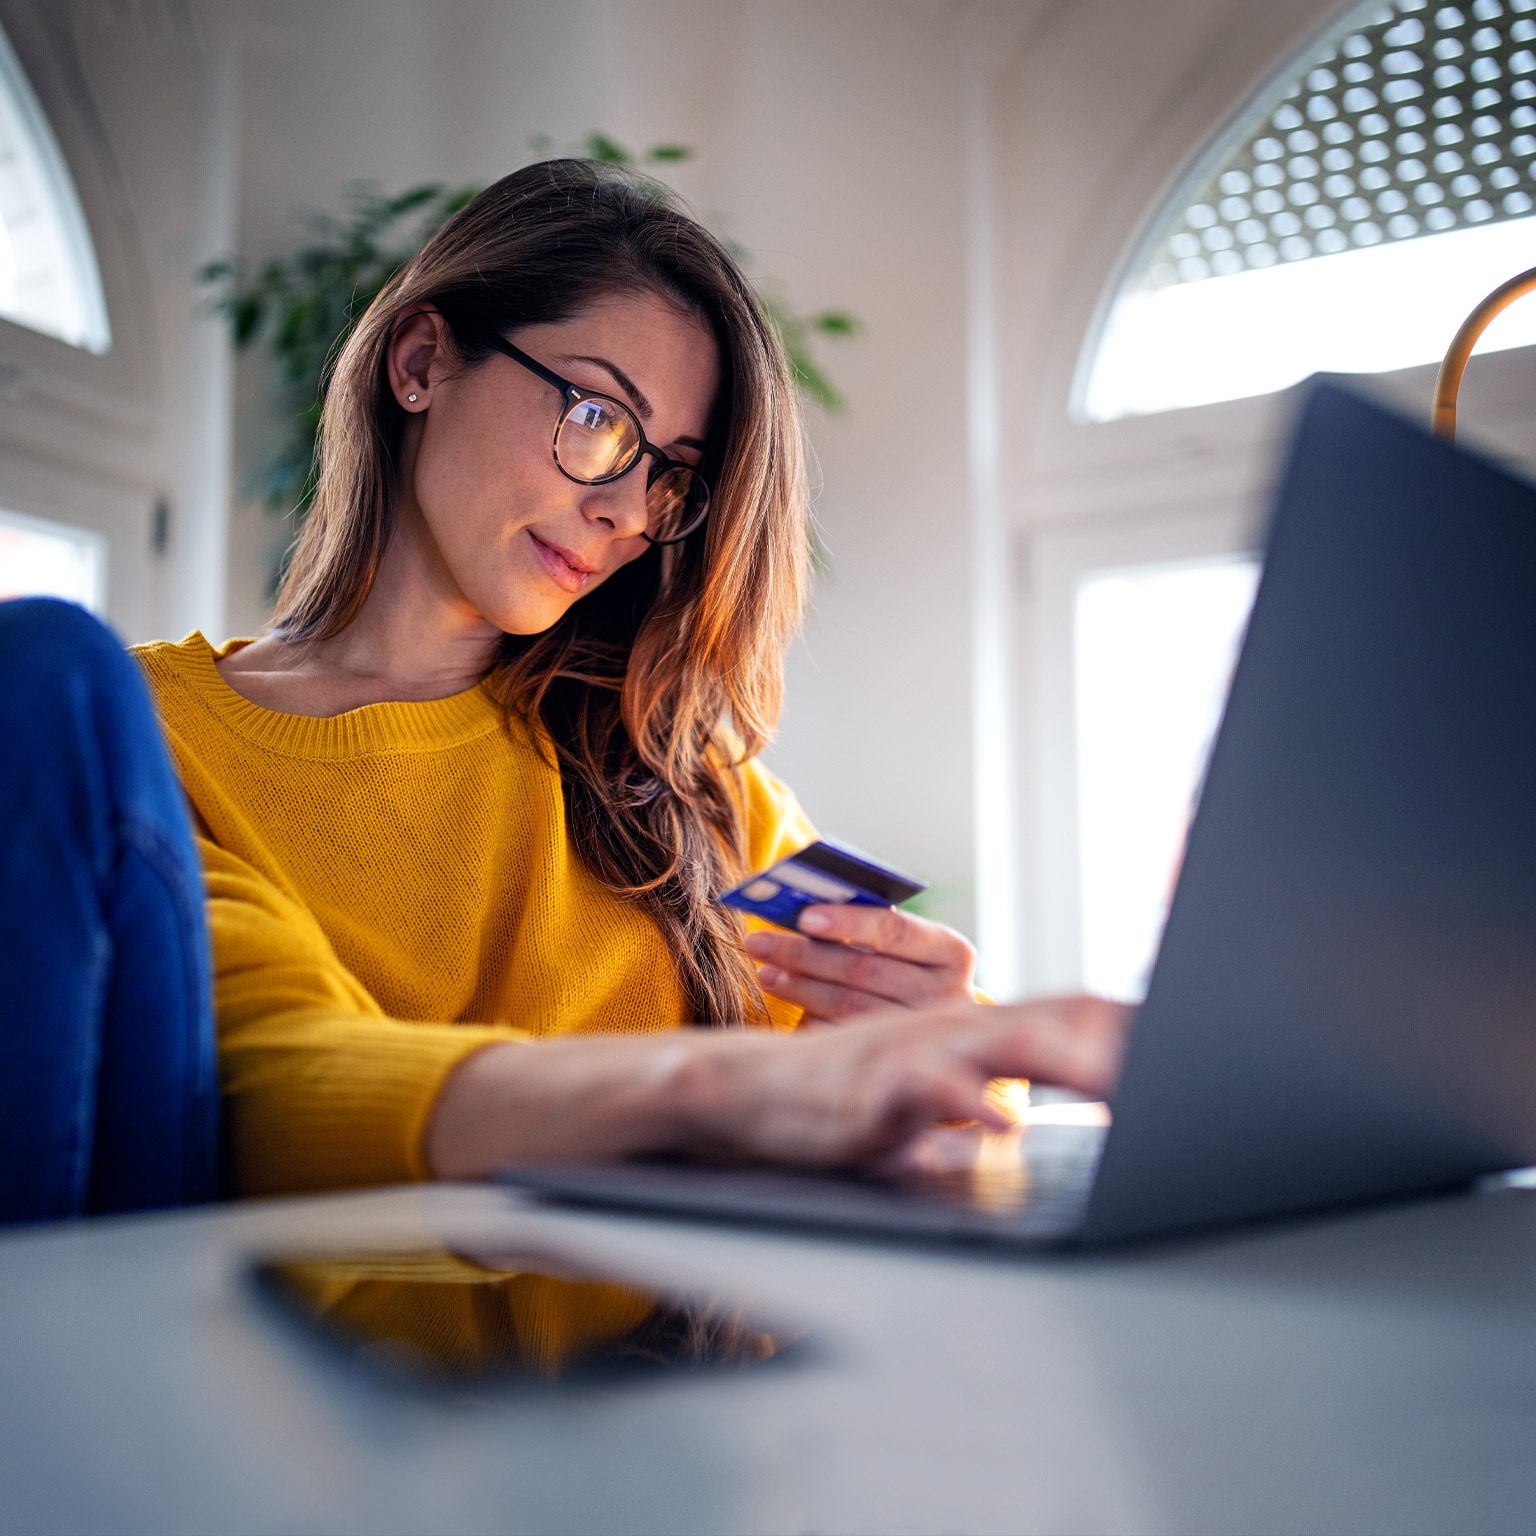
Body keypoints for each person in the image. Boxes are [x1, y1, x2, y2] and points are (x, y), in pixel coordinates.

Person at [1, 159, 1127, 1222]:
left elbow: (939, 1112)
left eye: (672, 474)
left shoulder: (685, 780)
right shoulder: (133, 737)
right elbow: (272, 1071)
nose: (628, 513)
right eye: (597, 420)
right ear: (422, 363)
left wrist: (937, 1032)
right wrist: (699, 1092)